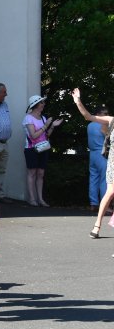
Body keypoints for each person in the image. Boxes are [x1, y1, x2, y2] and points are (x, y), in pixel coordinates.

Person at [71, 88, 114, 239]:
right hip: (111, 161)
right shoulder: (110, 121)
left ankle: (94, 206)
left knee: (97, 180)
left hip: (96, 156)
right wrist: (78, 101)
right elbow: (88, 116)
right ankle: (97, 225)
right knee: (109, 191)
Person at [22, 95, 63, 207]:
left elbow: (46, 135)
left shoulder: (44, 118)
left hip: (43, 148)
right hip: (31, 149)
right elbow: (34, 136)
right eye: (41, 103)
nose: (43, 104)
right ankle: (32, 199)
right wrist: (46, 125)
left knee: (40, 174)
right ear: (35, 105)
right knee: (32, 173)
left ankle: (40, 199)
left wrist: (52, 126)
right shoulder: (28, 118)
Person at [87, 105, 110, 212]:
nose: (107, 116)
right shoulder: (103, 125)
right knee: (104, 180)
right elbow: (108, 138)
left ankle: (93, 203)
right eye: (105, 114)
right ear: (98, 114)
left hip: (92, 154)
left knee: (93, 179)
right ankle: (105, 206)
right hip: (102, 154)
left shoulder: (90, 125)